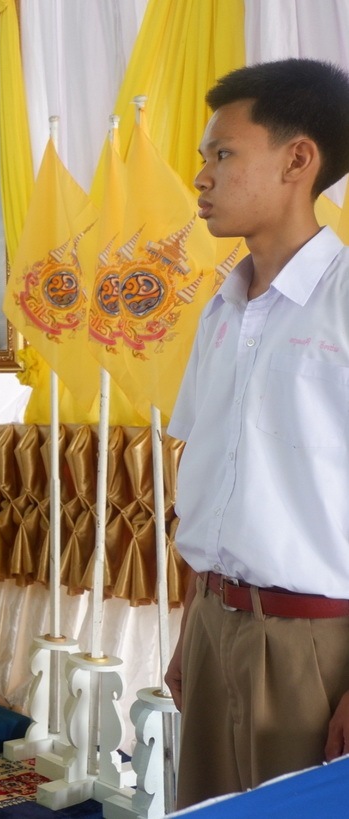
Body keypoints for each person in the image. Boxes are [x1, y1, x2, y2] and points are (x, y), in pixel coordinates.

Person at [165, 58, 349, 808]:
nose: (201, 176)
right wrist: (193, 629)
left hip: (316, 645)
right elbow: (212, 484)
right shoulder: (222, 308)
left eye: (223, 153)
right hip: (216, 622)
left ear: (297, 160)